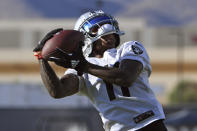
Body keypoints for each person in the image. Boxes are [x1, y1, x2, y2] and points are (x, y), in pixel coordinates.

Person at [33, 10, 167, 131]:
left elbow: (126, 77)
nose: (107, 31)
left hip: (149, 124)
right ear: (84, 38)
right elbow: (57, 91)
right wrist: (41, 58)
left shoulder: (129, 48)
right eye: (97, 28)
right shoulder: (82, 66)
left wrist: (84, 66)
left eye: (109, 26)